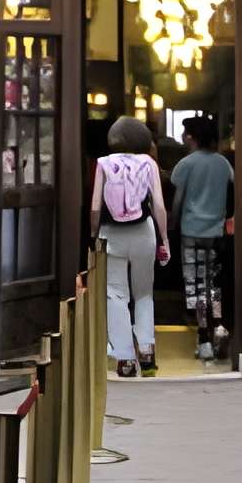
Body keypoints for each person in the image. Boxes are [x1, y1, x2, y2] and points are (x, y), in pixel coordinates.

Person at [87, 114, 170, 376]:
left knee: (115, 294)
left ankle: (124, 359)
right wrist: (164, 238)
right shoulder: (149, 163)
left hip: (112, 234)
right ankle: (146, 351)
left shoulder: (102, 163)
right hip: (143, 232)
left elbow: (95, 207)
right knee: (144, 293)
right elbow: (158, 205)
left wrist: (93, 233)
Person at [170, 116, 235, 359]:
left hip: (191, 232)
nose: (183, 136)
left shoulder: (185, 164)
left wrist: (173, 225)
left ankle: (204, 337)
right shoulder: (223, 164)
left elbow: (178, 200)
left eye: (186, 132)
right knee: (214, 283)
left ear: (192, 136)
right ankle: (219, 325)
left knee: (196, 285)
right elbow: (233, 191)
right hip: (216, 232)